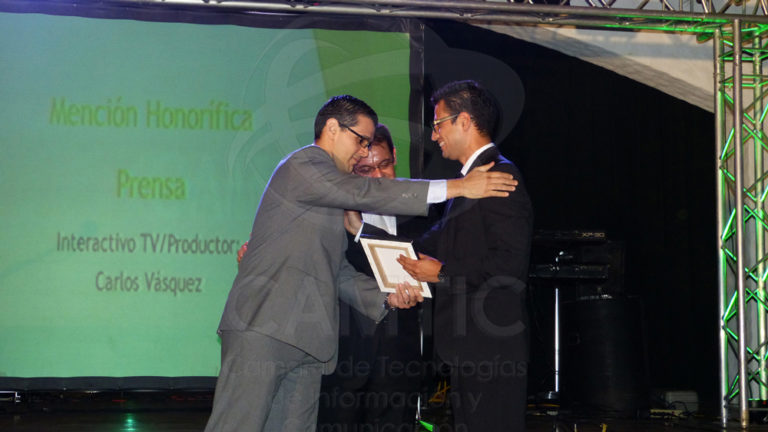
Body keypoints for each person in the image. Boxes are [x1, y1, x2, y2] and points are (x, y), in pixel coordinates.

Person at [203, 94, 519, 432]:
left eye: (369, 143)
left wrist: (386, 299)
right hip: (263, 330)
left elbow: (338, 272)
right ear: (332, 129)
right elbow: (366, 192)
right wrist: (459, 187)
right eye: (360, 140)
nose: (363, 151)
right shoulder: (304, 165)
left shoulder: (330, 199)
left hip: (309, 344)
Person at [398, 81, 533, 432]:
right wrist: (365, 235)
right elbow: (432, 242)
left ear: (465, 121)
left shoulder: (499, 177)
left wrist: (441, 274)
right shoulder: (471, 181)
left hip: (491, 351)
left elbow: (508, 266)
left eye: (438, 124)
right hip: (472, 351)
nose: (434, 136)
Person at [317, 124, 425, 432]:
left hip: (400, 359)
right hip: (343, 356)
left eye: (385, 165)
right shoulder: (331, 211)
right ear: (352, 167)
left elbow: (423, 265)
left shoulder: (422, 208)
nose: (378, 176)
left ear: (395, 156)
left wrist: (362, 231)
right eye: (366, 169)